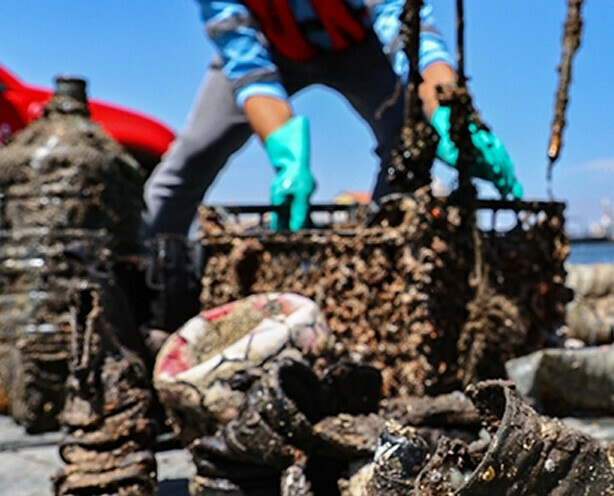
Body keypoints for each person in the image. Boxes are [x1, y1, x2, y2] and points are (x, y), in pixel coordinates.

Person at [140, 1, 521, 330]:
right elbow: (244, 59)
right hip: (270, 47)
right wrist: (283, 149)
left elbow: (406, 26)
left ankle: (384, 282)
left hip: (364, 46)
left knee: (407, 143)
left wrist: (448, 110)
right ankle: (142, 292)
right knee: (189, 160)